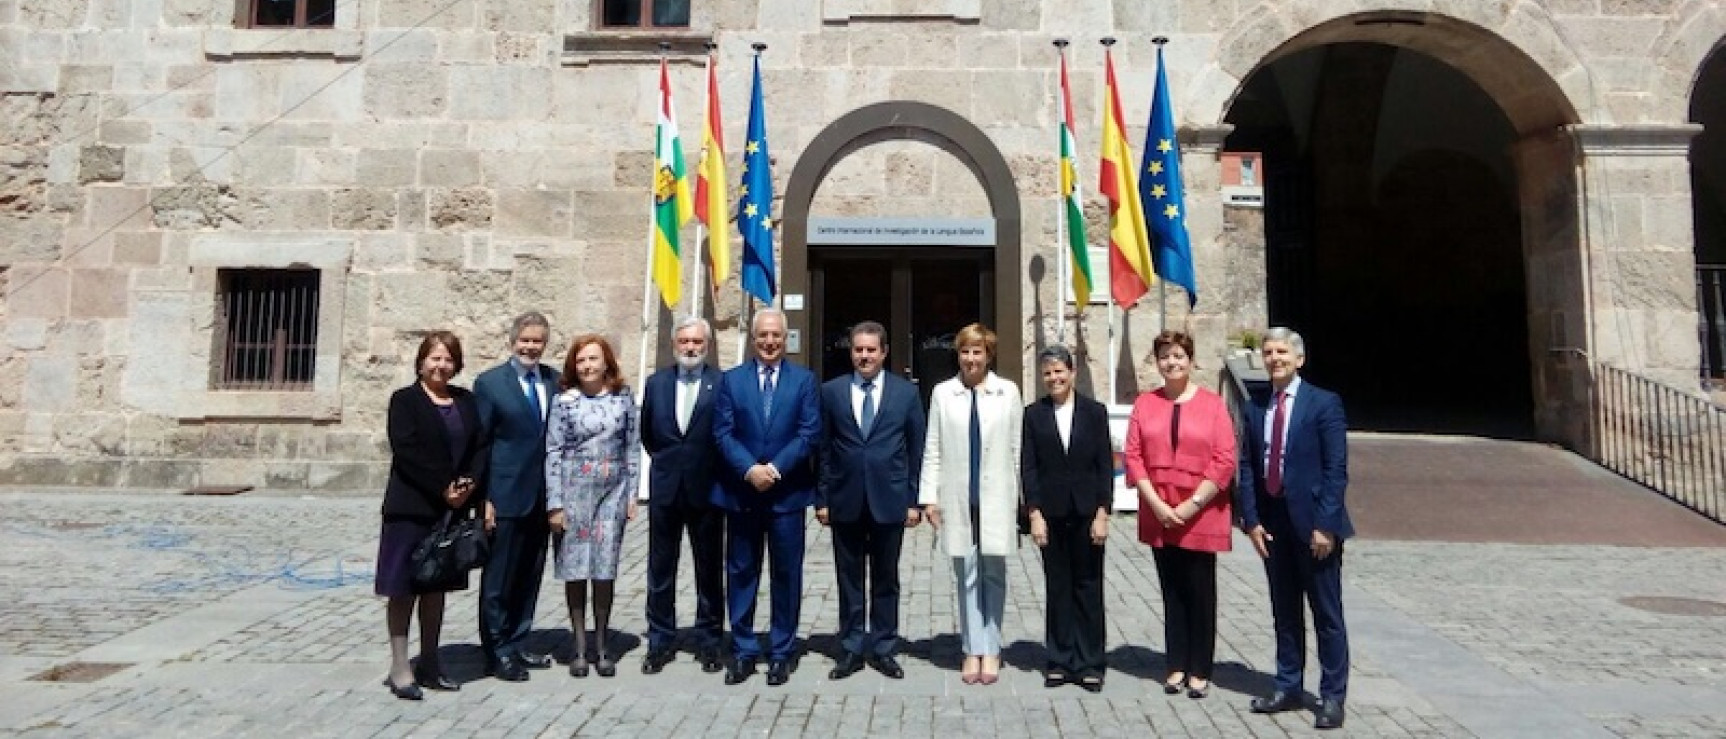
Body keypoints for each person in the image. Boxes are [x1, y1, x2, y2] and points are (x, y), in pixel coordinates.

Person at [1236, 327, 1354, 730]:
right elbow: (1248, 465)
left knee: (1326, 613)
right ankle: (1288, 685)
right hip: (1273, 523)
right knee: (1284, 611)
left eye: (1282, 352)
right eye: (1268, 352)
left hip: (1313, 526)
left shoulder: (1324, 404)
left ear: (1299, 359)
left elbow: (1336, 470)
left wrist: (1326, 525)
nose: (1274, 359)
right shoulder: (1255, 406)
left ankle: (1333, 696)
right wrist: (1250, 520)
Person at [1124, 330, 1237, 700]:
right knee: (1171, 590)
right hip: (1159, 509)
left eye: (1178, 356)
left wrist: (1193, 504)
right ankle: (1175, 664)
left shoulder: (1213, 405)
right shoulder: (1145, 403)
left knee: (1200, 590)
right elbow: (1134, 456)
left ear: (1191, 360)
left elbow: (1225, 458)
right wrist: (1157, 504)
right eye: (1165, 357)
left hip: (1201, 511)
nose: (1172, 363)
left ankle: (1200, 667)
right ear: (1157, 362)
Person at [711, 308, 821, 687]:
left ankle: (781, 651)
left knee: (786, 574)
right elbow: (723, 433)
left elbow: (809, 433)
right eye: (763, 336)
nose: (770, 342)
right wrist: (749, 470)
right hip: (741, 494)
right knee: (741, 572)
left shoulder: (804, 380)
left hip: (786, 495)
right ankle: (743, 650)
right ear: (753, 338)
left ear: (785, 338)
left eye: (776, 336)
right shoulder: (731, 380)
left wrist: (773, 470)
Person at [376, 330, 487, 700]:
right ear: (421, 362)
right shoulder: (404, 400)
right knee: (403, 587)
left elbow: (479, 446)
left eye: (448, 359)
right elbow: (405, 450)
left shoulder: (465, 401)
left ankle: (431, 661)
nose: (441, 365)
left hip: (451, 509)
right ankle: (400, 666)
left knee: (436, 586)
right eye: (435, 357)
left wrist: (468, 485)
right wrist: (443, 486)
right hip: (411, 506)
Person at [815, 321, 926, 680]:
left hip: (889, 499)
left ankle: (883, 647)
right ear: (851, 352)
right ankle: (850, 647)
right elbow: (823, 450)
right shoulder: (831, 392)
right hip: (845, 499)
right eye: (859, 350)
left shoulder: (905, 393)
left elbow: (916, 449)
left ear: (884, 352)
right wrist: (822, 498)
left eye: (871, 350)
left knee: (885, 577)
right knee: (848, 577)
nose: (865, 356)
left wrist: (914, 501)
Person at [920, 322, 1022, 686]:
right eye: (965, 351)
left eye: (977, 352)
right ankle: (971, 648)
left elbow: (1017, 448)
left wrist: (1022, 501)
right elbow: (933, 447)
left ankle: (991, 648)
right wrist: (929, 497)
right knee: (966, 575)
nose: (970, 358)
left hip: (996, 496)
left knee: (993, 573)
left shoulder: (1007, 393)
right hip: (958, 497)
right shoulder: (943, 394)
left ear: (988, 355)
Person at [544, 334, 639, 679]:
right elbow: (553, 451)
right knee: (575, 567)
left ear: (606, 363)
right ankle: (579, 645)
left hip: (612, 491)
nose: (587, 366)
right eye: (581, 360)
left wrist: (632, 494)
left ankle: (602, 644)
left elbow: (632, 447)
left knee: (603, 566)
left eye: (593, 359)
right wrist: (554, 503)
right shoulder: (563, 402)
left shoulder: (623, 398)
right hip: (573, 491)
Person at [1021, 344, 1113, 692]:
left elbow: (1105, 465)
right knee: (1058, 587)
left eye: (1059, 371)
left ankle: (1090, 661)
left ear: (1072, 373)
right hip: (1052, 512)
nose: (1054, 378)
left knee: (1088, 587)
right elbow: (1029, 468)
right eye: (1047, 373)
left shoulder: (1094, 412)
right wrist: (1035, 514)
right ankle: (1059, 660)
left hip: (1088, 511)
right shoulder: (1034, 414)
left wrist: (1103, 512)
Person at [472, 312, 558, 682]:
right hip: (504, 496)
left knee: (529, 573)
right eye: (525, 340)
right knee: (499, 578)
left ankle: (519, 640)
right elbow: (480, 444)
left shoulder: (555, 381)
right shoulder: (491, 384)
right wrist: (484, 497)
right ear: (512, 341)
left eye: (537, 341)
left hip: (542, 496)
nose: (530, 347)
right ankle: (496, 650)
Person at [638, 316, 727, 675]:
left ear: (707, 346)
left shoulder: (721, 384)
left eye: (697, 343)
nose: (690, 348)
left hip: (707, 490)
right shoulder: (656, 383)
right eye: (684, 342)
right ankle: (661, 639)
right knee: (660, 569)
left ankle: (709, 640)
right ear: (675, 345)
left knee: (708, 568)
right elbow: (649, 434)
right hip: (666, 490)